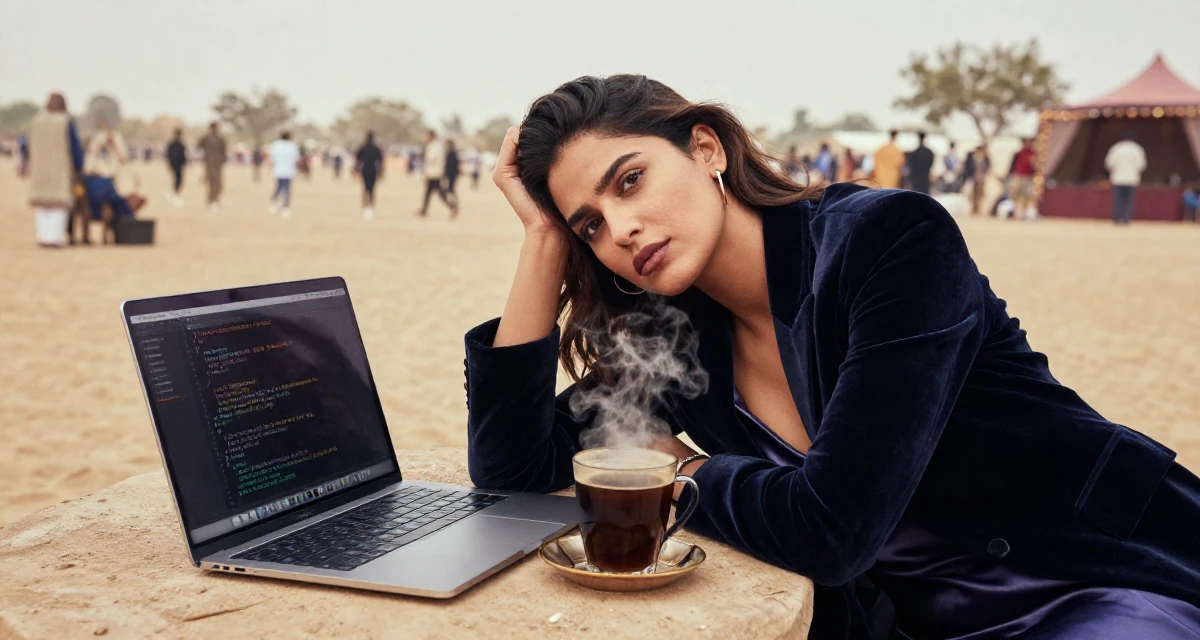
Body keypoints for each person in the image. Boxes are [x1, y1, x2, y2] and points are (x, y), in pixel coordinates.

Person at [463, 75, 1200, 639]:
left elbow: (832, 531)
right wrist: (541, 242)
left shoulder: (888, 242)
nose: (620, 227)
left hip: (1084, 580)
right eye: (589, 224)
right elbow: (514, 472)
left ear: (706, 148)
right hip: (906, 620)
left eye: (630, 181)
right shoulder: (671, 337)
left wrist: (683, 471)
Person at [26, 92, 84, 247]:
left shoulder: (36, 121)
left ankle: (43, 237)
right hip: (60, 167)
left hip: (39, 167)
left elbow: (27, 145)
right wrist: (79, 166)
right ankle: (54, 237)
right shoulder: (65, 122)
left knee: (43, 203)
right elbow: (75, 148)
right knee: (59, 203)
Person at [1105, 131, 1147, 225]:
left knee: (1118, 200)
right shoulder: (1137, 149)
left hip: (1118, 178)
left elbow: (1109, 163)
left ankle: (1116, 219)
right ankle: (1126, 219)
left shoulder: (1116, 148)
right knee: (1129, 201)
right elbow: (1142, 165)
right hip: (1132, 179)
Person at [416, 130, 458, 218]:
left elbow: (432, 160)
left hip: (435, 173)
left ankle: (452, 206)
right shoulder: (433, 146)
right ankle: (424, 210)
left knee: (439, 193)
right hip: (432, 173)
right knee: (428, 193)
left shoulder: (436, 147)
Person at [268, 131, 300, 218]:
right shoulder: (292, 146)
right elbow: (297, 159)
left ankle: (273, 203)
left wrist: (272, 167)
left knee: (278, 188)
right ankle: (285, 208)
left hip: (278, 171)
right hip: (289, 171)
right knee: (287, 190)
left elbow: (271, 159)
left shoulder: (275, 146)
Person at [197, 122, 227, 210]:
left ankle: (213, 200)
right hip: (213, 164)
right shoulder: (214, 138)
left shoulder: (210, 138)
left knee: (214, 183)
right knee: (214, 183)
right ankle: (213, 200)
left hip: (213, 164)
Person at [354, 132, 383, 220]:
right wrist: (380, 172)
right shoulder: (375, 148)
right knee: (371, 190)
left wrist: (356, 170)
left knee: (365, 189)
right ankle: (370, 207)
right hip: (373, 171)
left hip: (365, 171)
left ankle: (365, 207)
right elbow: (380, 162)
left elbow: (358, 160)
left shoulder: (363, 148)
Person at [1007, 138, 1037, 220]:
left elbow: (1034, 167)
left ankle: (1023, 214)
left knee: (1026, 196)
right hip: (1017, 176)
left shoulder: (1033, 154)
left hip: (1027, 177)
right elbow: (1012, 165)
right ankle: (1013, 212)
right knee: (1014, 195)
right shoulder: (1019, 153)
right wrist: (1011, 176)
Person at [963, 145, 991, 215]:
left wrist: (983, 175)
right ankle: (973, 208)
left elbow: (987, 167)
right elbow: (968, 167)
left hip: (981, 179)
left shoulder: (985, 159)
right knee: (972, 194)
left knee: (980, 194)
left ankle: (978, 208)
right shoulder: (972, 158)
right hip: (973, 178)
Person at [165, 128, 187, 208]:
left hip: (176, 164)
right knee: (178, 179)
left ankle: (174, 192)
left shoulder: (176, 143)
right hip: (176, 164)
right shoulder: (176, 144)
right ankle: (174, 192)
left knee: (178, 179)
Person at [444, 139, 461, 219]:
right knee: (450, 191)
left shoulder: (452, 154)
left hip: (452, 176)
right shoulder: (450, 154)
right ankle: (454, 206)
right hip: (451, 176)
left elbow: (455, 166)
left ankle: (454, 206)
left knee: (450, 191)